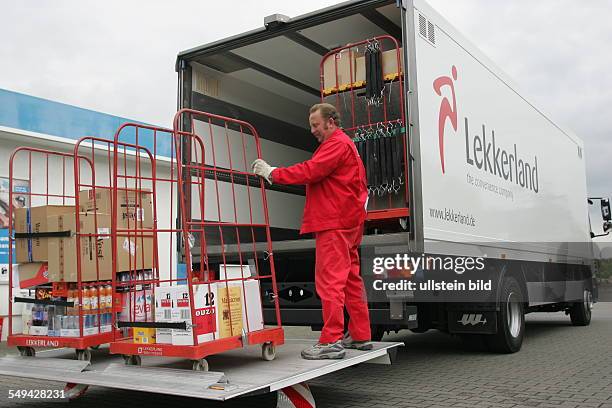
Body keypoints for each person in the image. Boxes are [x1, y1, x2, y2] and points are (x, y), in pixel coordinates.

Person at [252, 103, 372, 360]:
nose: (313, 130)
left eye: (316, 125)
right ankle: (361, 335)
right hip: (349, 222)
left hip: (334, 222)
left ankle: (331, 341)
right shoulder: (345, 145)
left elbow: (311, 171)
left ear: (331, 121)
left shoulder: (336, 145)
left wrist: (273, 173)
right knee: (350, 279)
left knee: (330, 282)